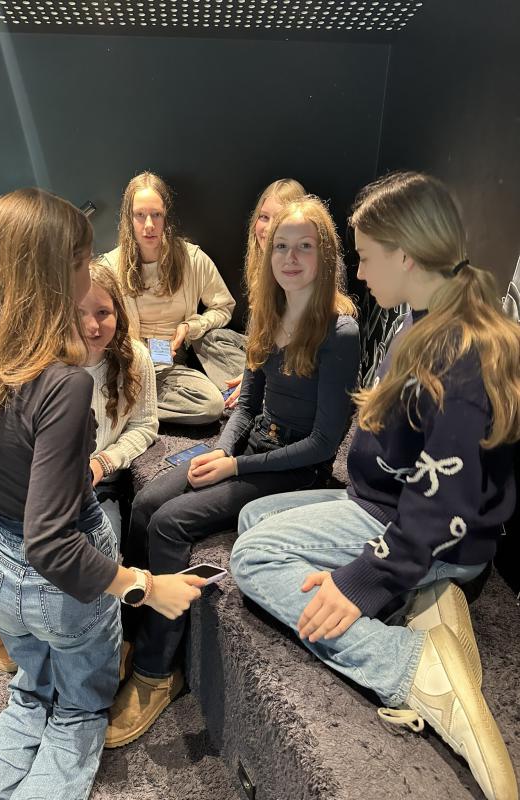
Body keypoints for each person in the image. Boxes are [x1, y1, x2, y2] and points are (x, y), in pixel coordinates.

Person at [230, 172, 519, 800]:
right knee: (255, 520)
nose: (358, 273)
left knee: (251, 557)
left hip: (424, 533)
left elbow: (445, 505)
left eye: (365, 257)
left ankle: (412, 667)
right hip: (381, 501)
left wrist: (366, 579)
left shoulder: (459, 353)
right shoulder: (424, 315)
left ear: (405, 254)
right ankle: (419, 599)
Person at [0, 188, 206, 800]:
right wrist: (146, 585)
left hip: (0, 568)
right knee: (78, 714)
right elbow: (53, 544)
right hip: (62, 590)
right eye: (84, 260)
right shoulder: (62, 385)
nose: (92, 273)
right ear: (54, 270)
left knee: (27, 700)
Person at [105, 195, 360, 748]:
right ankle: (129, 631)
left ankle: (156, 670)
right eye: (281, 246)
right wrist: (220, 452)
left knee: (171, 523)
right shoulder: (270, 310)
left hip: (296, 469)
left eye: (304, 247)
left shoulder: (339, 331)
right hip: (253, 446)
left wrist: (236, 464)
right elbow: (246, 405)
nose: (290, 258)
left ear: (325, 254)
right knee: (146, 504)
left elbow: (323, 445)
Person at [100, 171, 235, 425]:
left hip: (170, 365)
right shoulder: (110, 266)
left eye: (156, 214)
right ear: (129, 218)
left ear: (167, 216)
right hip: (128, 362)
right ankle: (126, 402)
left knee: (212, 406)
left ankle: (127, 408)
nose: (149, 225)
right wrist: (133, 352)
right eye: (140, 215)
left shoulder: (192, 259)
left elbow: (224, 306)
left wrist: (190, 327)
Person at [194, 178, 306, 406]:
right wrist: (252, 370)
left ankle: (259, 392)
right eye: (264, 217)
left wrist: (258, 374)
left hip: (299, 359)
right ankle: (252, 389)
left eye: (279, 219)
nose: (268, 228)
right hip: (269, 354)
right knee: (208, 338)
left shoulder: (301, 265)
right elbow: (261, 338)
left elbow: (299, 343)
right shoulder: (261, 264)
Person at [80, 260, 158, 547]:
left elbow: (145, 425)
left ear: (118, 313)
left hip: (103, 485)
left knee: (104, 554)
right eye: (79, 313)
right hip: (50, 486)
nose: (92, 326)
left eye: (103, 312)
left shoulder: (136, 358)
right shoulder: (48, 361)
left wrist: (103, 462)